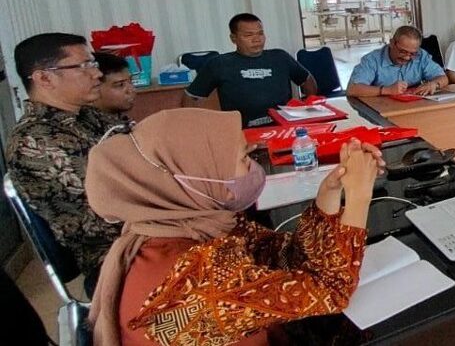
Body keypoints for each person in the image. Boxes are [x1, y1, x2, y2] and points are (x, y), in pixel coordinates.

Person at [85, 108, 384, 345]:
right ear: (194, 176)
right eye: (243, 157)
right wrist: (359, 196)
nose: (252, 165)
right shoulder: (188, 281)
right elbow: (331, 291)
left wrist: (330, 192)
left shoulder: (197, 224)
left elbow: (284, 256)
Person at [5, 33, 122, 295]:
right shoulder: (35, 140)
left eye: (93, 64)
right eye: (84, 66)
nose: (97, 74)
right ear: (44, 78)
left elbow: (142, 147)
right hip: (115, 254)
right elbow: (111, 204)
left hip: (147, 231)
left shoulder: (88, 116)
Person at [184, 14, 318, 127]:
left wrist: (308, 106)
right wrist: (196, 126)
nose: (257, 39)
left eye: (260, 33)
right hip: (240, 131)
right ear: (233, 38)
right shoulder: (219, 63)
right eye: (248, 35)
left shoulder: (280, 57)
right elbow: (192, 97)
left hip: (282, 126)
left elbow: (306, 79)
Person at [346, 25, 449, 97]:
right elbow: (353, 89)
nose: (407, 57)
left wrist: (434, 84)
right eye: (402, 51)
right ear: (391, 43)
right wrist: (386, 90)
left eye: (412, 53)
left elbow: (443, 78)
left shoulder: (421, 56)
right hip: (381, 108)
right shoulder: (372, 59)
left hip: (412, 106)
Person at [91, 51, 136, 123]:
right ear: (94, 87)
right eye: (120, 85)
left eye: (131, 81)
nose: (132, 90)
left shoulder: (122, 120)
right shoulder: (86, 126)